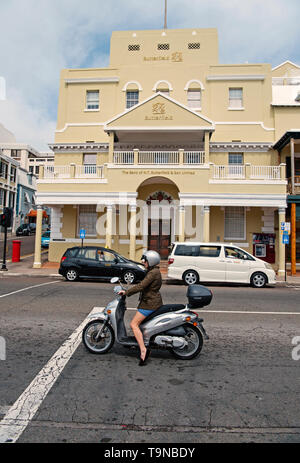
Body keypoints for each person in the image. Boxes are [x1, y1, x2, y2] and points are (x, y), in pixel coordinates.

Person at [118, 250, 162, 366]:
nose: (143, 261)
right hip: (152, 301)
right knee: (141, 325)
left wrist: (126, 292)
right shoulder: (153, 271)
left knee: (134, 324)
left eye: (145, 260)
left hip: (149, 303)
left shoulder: (153, 273)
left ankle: (143, 350)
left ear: (151, 261)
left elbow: (142, 286)